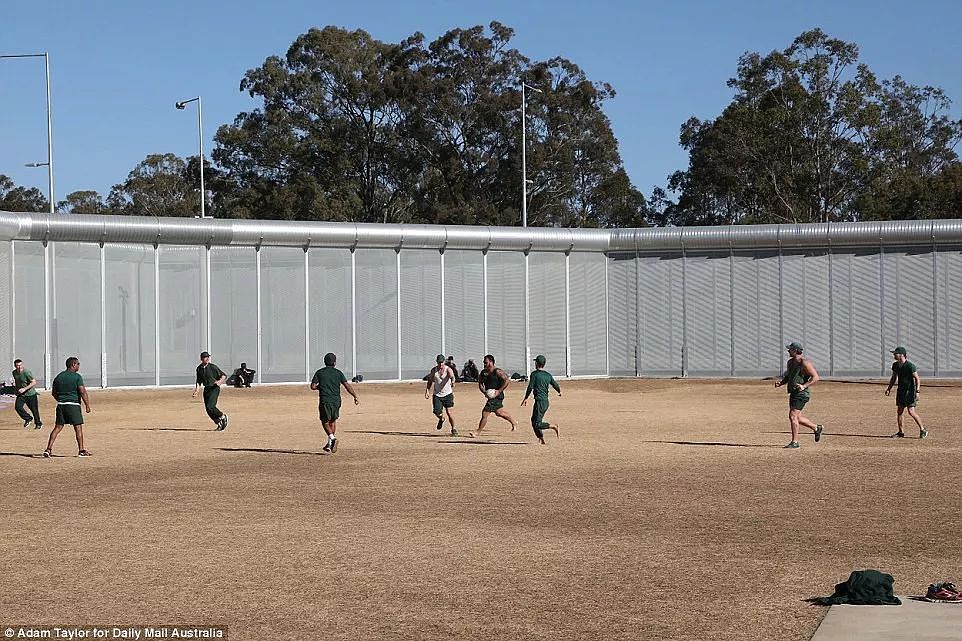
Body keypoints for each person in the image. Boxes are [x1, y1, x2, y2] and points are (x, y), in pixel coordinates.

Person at [774, 342, 824, 449]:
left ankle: (795, 442)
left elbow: (815, 377)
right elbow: (789, 376)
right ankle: (816, 428)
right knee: (798, 417)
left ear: (796, 351)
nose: (788, 351)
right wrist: (781, 383)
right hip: (793, 392)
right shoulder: (790, 362)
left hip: (802, 393)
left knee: (792, 416)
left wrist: (804, 386)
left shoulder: (805, 363)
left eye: (790, 349)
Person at [43, 357, 92, 458]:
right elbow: (82, 391)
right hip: (73, 405)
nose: (79, 366)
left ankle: (48, 449)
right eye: (78, 364)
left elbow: (53, 393)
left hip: (61, 405)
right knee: (78, 428)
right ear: (73, 364)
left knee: (57, 428)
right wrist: (87, 405)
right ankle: (81, 450)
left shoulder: (58, 377)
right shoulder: (77, 377)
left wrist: (61, 400)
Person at [310, 352, 359, 453]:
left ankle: (332, 438)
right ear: (335, 363)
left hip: (325, 400)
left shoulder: (319, 372)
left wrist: (321, 386)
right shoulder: (338, 373)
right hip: (337, 401)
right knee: (333, 421)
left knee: (325, 421)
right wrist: (354, 396)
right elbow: (347, 386)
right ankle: (329, 444)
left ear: (324, 362)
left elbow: (313, 386)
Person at [469, 354, 516, 438]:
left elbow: (507, 380)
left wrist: (499, 391)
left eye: (486, 362)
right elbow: (480, 384)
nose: (484, 364)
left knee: (485, 413)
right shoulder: (483, 372)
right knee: (499, 413)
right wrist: (485, 393)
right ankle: (513, 422)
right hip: (491, 396)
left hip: (497, 396)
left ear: (491, 362)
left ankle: (477, 432)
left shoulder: (497, 371)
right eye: (484, 362)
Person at [885, 346, 926, 439]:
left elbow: (917, 379)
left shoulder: (910, 366)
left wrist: (917, 391)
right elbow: (894, 378)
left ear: (902, 355)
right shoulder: (895, 365)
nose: (894, 355)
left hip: (909, 392)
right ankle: (901, 432)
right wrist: (889, 388)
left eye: (895, 353)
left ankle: (923, 429)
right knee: (899, 411)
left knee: (911, 412)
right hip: (900, 391)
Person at [521, 354, 561, 445]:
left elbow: (530, 387)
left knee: (537, 423)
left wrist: (525, 398)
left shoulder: (534, 374)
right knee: (534, 420)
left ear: (536, 363)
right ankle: (541, 439)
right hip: (545, 402)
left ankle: (553, 426)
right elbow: (555, 385)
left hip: (540, 402)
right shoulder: (548, 375)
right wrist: (559, 391)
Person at [193, 351, 229, 430]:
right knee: (208, 409)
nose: (208, 358)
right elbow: (199, 381)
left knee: (211, 406)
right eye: (206, 357)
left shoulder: (213, 367)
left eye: (208, 357)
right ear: (202, 359)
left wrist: (219, 382)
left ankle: (222, 416)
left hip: (214, 388)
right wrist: (196, 391)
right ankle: (218, 423)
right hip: (207, 389)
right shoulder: (199, 369)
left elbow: (224, 375)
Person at [425, 354, 458, 436]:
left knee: (449, 412)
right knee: (437, 412)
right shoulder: (434, 370)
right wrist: (427, 390)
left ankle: (453, 429)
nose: (441, 364)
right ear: (437, 362)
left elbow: (452, 377)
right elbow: (430, 381)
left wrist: (453, 382)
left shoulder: (448, 369)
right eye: (439, 362)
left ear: (444, 362)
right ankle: (441, 419)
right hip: (437, 395)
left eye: (442, 362)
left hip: (447, 394)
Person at [12, 358, 42, 429]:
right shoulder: (14, 373)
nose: (19, 367)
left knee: (34, 410)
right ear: (15, 366)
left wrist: (24, 389)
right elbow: (17, 382)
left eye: (20, 365)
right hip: (21, 395)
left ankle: (38, 424)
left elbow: (34, 382)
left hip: (31, 394)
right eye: (17, 365)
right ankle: (28, 418)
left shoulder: (27, 372)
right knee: (18, 407)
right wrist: (16, 391)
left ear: (22, 365)